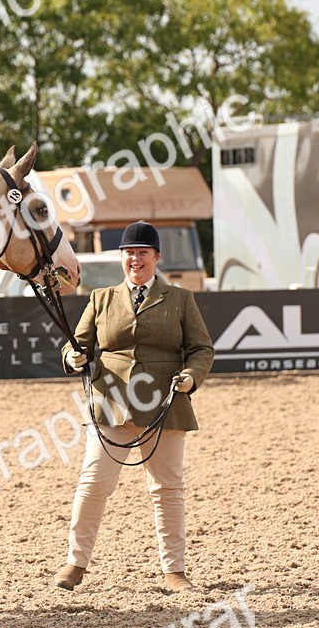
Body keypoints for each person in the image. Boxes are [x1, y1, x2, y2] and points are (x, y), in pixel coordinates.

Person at [56, 221, 214, 593]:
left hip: (164, 405)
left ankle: (174, 570)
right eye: (129, 253)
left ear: (157, 257)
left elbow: (202, 349)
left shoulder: (180, 299)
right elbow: (76, 345)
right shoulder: (101, 299)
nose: (135, 259)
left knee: (166, 489)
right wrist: (74, 357)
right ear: (121, 258)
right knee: (92, 484)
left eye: (143, 253)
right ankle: (75, 564)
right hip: (111, 404)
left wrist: (191, 376)